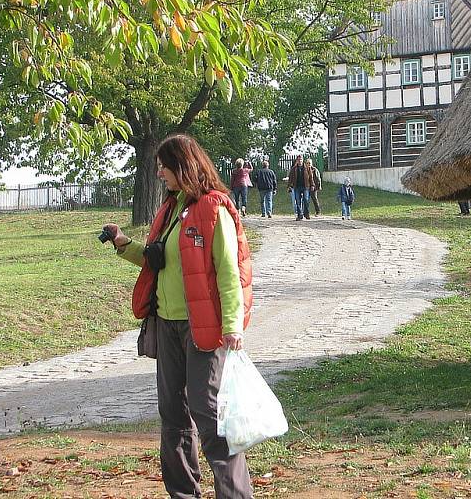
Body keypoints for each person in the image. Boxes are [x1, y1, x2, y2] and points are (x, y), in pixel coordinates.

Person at [104, 134, 254, 499]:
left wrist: (233, 326)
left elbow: (229, 273)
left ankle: (234, 494)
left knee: (210, 416)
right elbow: (159, 259)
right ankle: (183, 493)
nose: (159, 173)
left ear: (182, 166)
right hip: (167, 325)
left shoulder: (212, 209)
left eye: (164, 166)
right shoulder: (171, 210)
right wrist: (123, 243)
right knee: (173, 415)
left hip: (204, 329)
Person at [287, 155, 314, 221]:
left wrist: (312, 185)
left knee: (306, 200)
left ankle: (306, 213)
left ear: (302, 160)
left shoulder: (307, 168)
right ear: (297, 160)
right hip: (297, 187)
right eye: (298, 160)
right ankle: (299, 215)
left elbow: (311, 177)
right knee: (298, 201)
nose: (300, 161)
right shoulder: (294, 169)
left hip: (305, 186)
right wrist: (289, 186)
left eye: (301, 159)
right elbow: (290, 178)